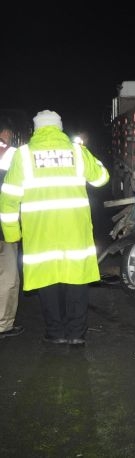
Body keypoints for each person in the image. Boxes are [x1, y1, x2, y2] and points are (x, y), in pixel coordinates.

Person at [0, 110, 109, 346]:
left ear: (36, 129)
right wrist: (95, 160)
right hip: (74, 230)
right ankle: (77, 334)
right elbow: (101, 178)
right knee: (76, 280)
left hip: (41, 232)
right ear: (59, 128)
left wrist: (12, 234)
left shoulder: (24, 155)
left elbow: (8, 198)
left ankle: (55, 332)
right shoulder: (77, 151)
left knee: (47, 281)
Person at [0, 117, 23, 339]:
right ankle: (3, 324)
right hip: (4, 227)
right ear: (6, 133)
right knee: (8, 277)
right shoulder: (12, 154)